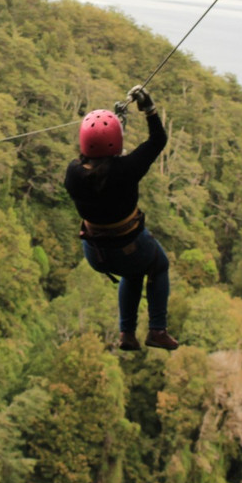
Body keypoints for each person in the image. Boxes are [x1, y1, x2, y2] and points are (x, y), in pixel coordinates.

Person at [64, 85, 179, 351]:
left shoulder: (73, 173)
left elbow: (102, 168)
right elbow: (157, 140)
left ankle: (127, 334)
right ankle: (157, 329)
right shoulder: (126, 170)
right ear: (115, 143)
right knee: (158, 265)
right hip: (129, 246)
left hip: (95, 251)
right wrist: (148, 109)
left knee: (133, 273)